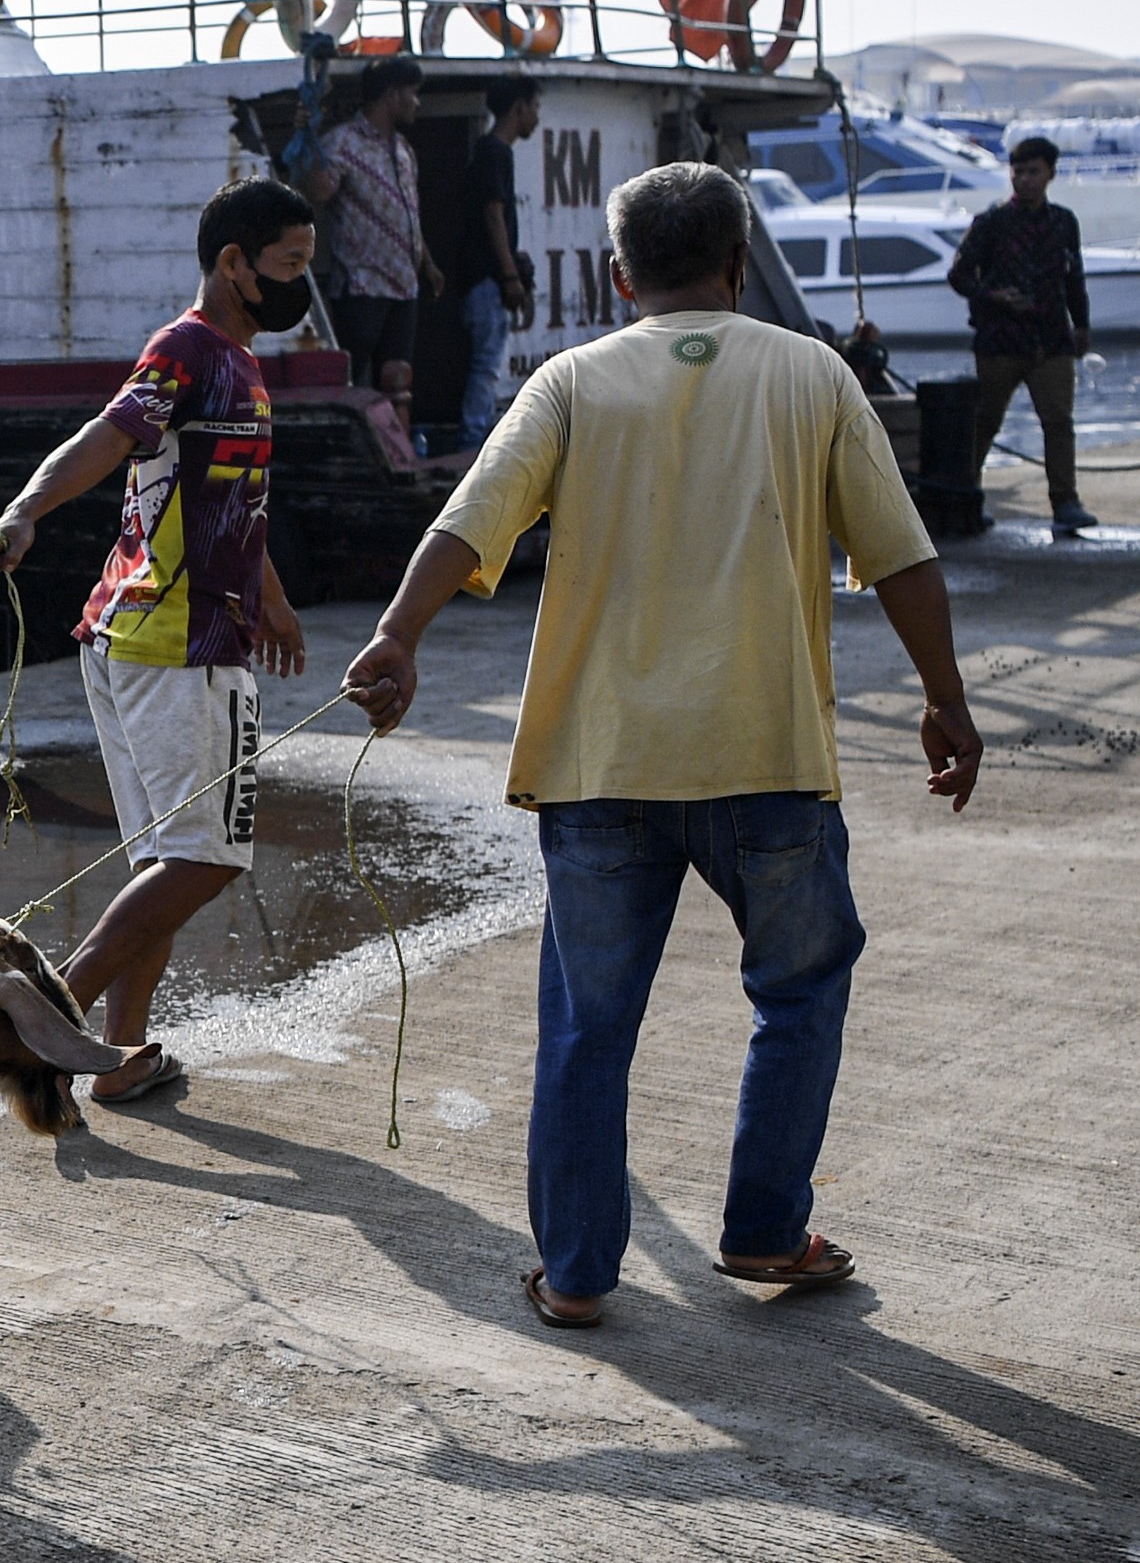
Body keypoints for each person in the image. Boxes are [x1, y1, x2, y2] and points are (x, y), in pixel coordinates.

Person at [342, 162, 983, 1330]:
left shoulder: (572, 382)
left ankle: (579, 1276)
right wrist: (945, 702)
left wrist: (396, 637)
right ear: (737, 264)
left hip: (601, 766)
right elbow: (903, 559)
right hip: (770, 758)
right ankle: (765, 1230)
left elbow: (466, 523)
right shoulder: (811, 375)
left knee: (587, 1027)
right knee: (798, 995)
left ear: (619, 272)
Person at [0, 176, 317, 1106]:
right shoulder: (190, 349)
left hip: (146, 636)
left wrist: (271, 598)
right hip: (177, 644)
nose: (300, 285)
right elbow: (108, 435)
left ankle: (119, 1057)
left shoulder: (237, 366)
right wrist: (24, 511)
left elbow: (229, 505)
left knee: (166, 860)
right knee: (205, 858)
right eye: (288, 266)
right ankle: (42, 1019)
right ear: (233, 264)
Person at [947, 135, 1100, 536]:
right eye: (1018, 172)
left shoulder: (1063, 222)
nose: (1025, 180)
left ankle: (1066, 503)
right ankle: (967, 498)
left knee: (1058, 423)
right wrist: (992, 296)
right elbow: (959, 275)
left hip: (1051, 340)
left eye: (1033, 172)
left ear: (1050, 174)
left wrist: (1081, 325)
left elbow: (1075, 277)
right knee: (985, 422)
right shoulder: (991, 222)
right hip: (1000, 342)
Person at [305, 56, 445, 434]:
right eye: (412, 94)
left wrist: (426, 263)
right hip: (363, 284)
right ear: (392, 95)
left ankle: (398, 446)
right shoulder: (342, 142)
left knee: (398, 377)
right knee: (358, 376)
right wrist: (310, 146)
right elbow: (318, 192)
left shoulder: (403, 150)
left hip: (404, 283)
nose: (417, 103)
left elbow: (409, 215)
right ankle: (358, 448)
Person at [449, 76, 542, 447]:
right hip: (486, 279)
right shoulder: (495, 152)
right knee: (486, 363)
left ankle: (477, 434)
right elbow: (493, 214)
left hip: (482, 276)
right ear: (518, 108)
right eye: (534, 108)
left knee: (485, 362)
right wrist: (509, 275)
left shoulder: (491, 152)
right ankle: (473, 440)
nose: (536, 116)